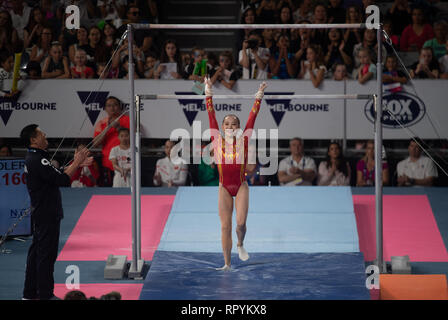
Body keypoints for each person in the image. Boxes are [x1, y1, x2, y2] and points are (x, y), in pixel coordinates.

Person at [20, 124, 92, 300]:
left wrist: (76, 164)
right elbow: (62, 179)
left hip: (42, 212)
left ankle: (29, 294)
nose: (45, 134)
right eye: (41, 133)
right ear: (33, 140)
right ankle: (45, 295)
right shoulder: (38, 160)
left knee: (36, 253)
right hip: (47, 213)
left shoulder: (35, 158)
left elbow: (55, 174)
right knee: (46, 256)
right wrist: (76, 162)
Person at [204, 76, 267, 270]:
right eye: (227, 124)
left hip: (240, 186)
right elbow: (211, 114)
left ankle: (240, 244)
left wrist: (259, 95)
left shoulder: (244, 140)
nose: (231, 127)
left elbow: (252, 117)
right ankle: (227, 264)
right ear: (222, 128)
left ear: (239, 128)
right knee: (225, 226)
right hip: (224, 187)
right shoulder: (216, 139)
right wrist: (208, 92)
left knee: (240, 223)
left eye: (234, 124)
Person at [92, 96, 130, 186]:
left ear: (120, 107)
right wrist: (107, 128)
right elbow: (95, 144)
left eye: (115, 105)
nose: (112, 108)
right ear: (105, 109)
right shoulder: (102, 123)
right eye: (109, 106)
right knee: (110, 194)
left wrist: (118, 128)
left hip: (127, 163)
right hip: (109, 163)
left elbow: (134, 139)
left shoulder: (127, 120)